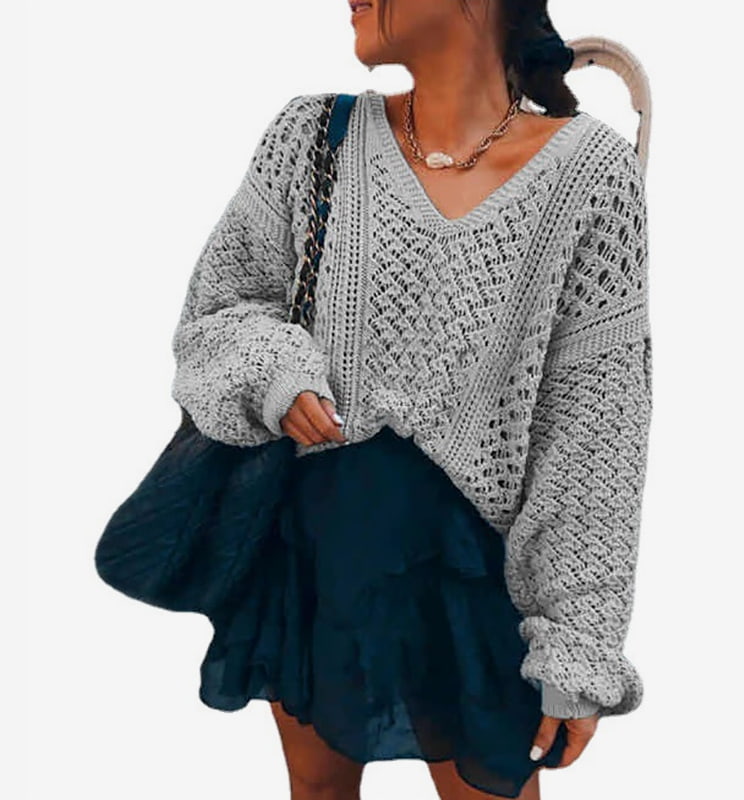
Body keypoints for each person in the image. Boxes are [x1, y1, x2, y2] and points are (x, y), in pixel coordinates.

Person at [168, 1, 653, 798]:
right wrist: (276, 372)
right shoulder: (312, 138)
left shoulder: (591, 174)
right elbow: (217, 314)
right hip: (316, 556)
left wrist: (579, 647)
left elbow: (594, 436)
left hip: (472, 581)